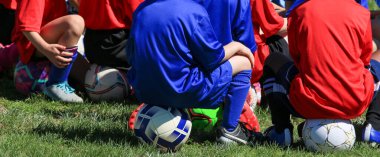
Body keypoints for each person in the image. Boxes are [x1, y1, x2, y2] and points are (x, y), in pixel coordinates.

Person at [126, 0, 255, 145]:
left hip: (144, 91)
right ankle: (230, 130)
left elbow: (131, 55)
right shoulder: (193, 10)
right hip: (181, 92)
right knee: (243, 62)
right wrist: (237, 46)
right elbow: (212, 58)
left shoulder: (141, 10)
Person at [263, 0, 380, 147]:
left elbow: (297, 59)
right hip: (354, 102)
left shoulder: (299, 11)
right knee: (377, 67)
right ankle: (375, 126)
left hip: (307, 102)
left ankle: (281, 129)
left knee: (273, 60)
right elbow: (365, 60)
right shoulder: (360, 12)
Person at [13, 0, 85, 102]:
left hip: (52, 41)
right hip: (34, 45)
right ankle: (57, 83)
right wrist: (45, 48)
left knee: (90, 79)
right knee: (75, 22)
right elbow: (26, 28)